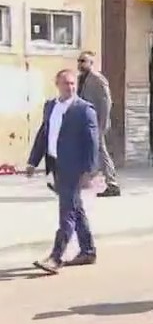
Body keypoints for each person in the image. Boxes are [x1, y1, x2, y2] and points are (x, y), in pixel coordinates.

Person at [25, 69, 99, 274]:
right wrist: (33, 161)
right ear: (56, 84)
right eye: (66, 83)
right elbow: (44, 134)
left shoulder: (84, 110)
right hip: (56, 165)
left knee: (67, 212)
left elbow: (93, 143)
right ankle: (88, 250)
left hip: (74, 169)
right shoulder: (51, 106)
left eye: (73, 84)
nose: (70, 87)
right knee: (76, 208)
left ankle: (56, 257)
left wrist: (89, 172)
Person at [77, 51, 119, 198]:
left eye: (84, 61)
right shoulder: (81, 79)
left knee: (101, 151)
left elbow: (106, 102)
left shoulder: (98, 79)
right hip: (84, 122)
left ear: (91, 63)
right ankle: (79, 181)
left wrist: (103, 124)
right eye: (79, 61)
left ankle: (112, 183)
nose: (80, 64)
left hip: (96, 123)